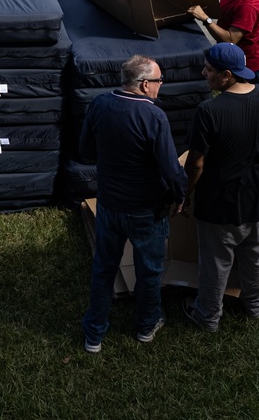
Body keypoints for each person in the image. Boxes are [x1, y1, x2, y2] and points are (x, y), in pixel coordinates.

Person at [80, 55, 187, 351]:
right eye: (158, 81)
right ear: (143, 85)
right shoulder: (154, 117)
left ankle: (94, 334)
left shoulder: (100, 104)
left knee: (103, 269)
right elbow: (170, 169)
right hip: (146, 212)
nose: (160, 86)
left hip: (110, 205)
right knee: (149, 271)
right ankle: (146, 326)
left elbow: (85, 150)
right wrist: (180, 195)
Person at [180, 42, 259, 332]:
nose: (204, 73)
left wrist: (185, 195)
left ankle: (207, 315)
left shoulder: (209, 111)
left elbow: (197, 164)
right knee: (255, 253)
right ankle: (255, 305)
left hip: (220, 206)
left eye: (209, 69)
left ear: (227, 75)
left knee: (216, 263)